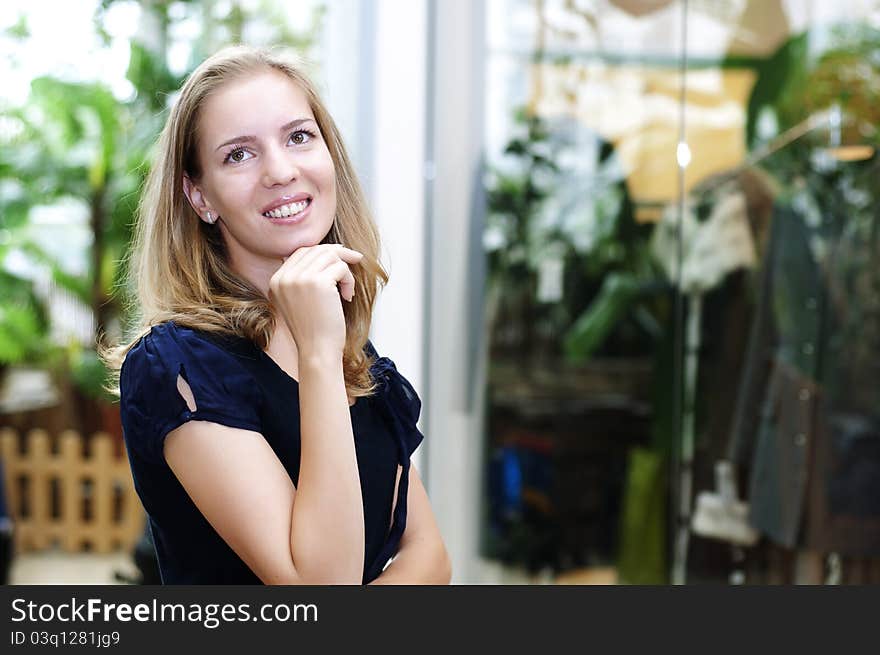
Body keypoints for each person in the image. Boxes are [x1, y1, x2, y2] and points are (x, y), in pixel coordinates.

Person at [104, 45, 451, 585]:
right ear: (200, 198)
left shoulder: (352, 353)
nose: (281, 171)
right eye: (238, 154)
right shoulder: (176, 366)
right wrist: (317, 353)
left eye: (298, 137)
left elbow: (429, 555)